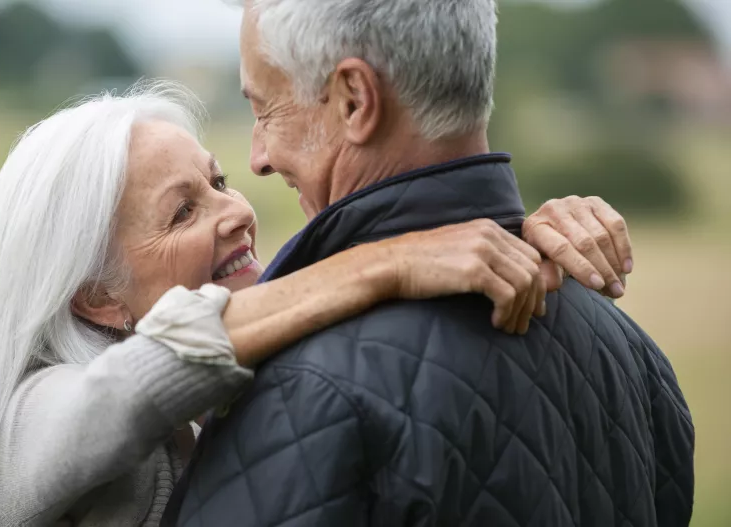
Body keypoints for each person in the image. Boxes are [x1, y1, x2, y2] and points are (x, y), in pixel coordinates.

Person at [0, 80, 636, 527]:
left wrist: (522, 238)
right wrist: (392, 262)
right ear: (97, 297)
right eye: (182, 212)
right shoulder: (20, 429)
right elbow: (137, 379)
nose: (236, 211)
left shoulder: (237, 368)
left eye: (218, 182)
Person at [161, 1, 695, 527]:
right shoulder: (631, 349)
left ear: (354, 101)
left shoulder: (301, 385)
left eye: (265, 111)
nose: (258, 157)